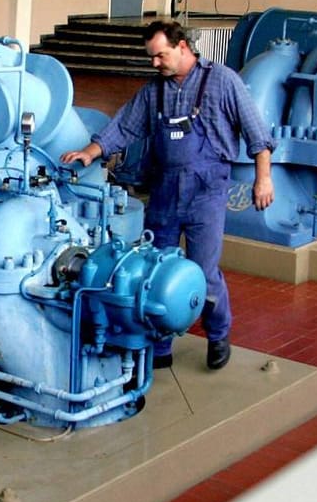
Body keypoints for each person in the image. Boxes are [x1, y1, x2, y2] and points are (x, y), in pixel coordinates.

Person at [62, 20, 275, 370]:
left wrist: (262, 179)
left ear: (181, 47)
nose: (155, 64)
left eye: (160, 56)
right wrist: (91, 151)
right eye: (151, 57)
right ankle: (159, 348)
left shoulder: (222, 81)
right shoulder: (154, 91)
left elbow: (257, 133)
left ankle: (218, 332)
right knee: (152, 273)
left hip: (207, 190)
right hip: (164, 191)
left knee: (203, 273)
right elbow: (125, 126)